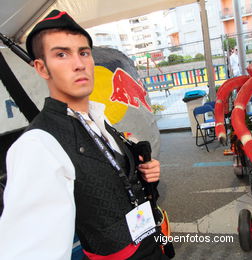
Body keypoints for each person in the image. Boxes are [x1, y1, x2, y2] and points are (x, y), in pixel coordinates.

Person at [0, 10, 169, 259]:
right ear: (41, 68)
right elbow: (31, 248)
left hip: (150, 242)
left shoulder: (98, 116)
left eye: (83, 52)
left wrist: (145, 173)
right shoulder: (38, 145)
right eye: (61, 54)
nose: (79, 64)